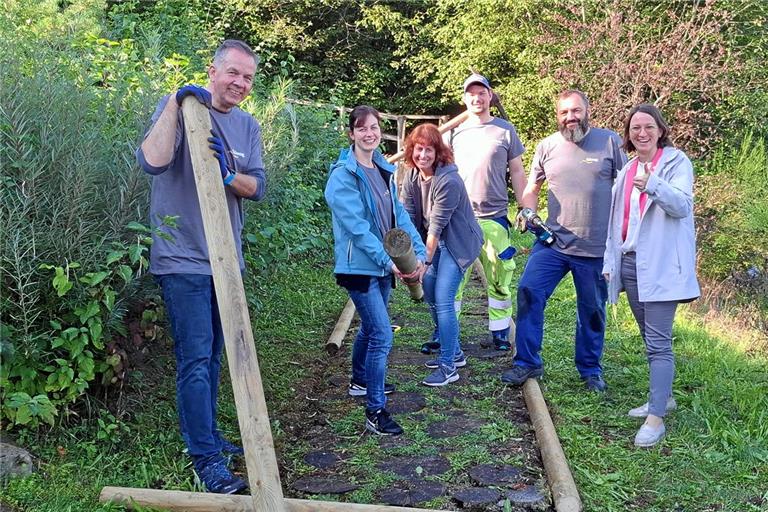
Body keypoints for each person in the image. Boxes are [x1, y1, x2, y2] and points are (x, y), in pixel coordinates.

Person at [136, 39, 265, 494]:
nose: (240, 84)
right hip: (183, 257)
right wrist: (177, 100)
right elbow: (151, 162)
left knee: (213, 355)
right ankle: (205, 459)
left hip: (226, 261)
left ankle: (207, 435)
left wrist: (231, 175)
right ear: (212, 70)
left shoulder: (248, 126)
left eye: (248, 77)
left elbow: (258, 187)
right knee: (195, 357)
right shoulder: (182, 108)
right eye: (233, 73)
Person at [501, 89, 626, 392]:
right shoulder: (547, 146)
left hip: (596, 248)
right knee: (529, 290)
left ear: (587, 110)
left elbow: (626, 189)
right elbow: (532, 186)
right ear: (557, 116)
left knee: (591, 309)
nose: (570, 117)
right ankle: (527, 363)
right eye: (564, 112)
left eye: (576, 110)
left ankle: (590, 369)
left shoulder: (610, 142)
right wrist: (528, 209)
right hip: (553, 242)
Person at [324, 105, 426, 435]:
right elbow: (358, 229)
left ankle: (359, 380)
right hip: (359, 268)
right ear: (351, 133)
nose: (370, 133)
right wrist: (388, 262)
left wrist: (419, 250)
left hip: (382, 266)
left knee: (370, 328)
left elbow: (400, 217)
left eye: (375, 128)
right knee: (382, 334)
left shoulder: (382, 168)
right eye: (363, 128)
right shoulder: (342, 176)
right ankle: (375, 410)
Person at [602, 104, 699, 447]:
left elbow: (682, 206)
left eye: (648, 127)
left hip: (658, 267)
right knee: (649, 338)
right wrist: (609, 261)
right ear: (628, 135)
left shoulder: (676, 163)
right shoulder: (626, 169)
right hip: (630, 265)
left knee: (658, 343)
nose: (641, 133)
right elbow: (618, 222)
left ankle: (656, 419)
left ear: (660, 130)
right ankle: (663, 398)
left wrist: (653, 184)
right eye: (634, 128)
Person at [444, 73, 527, 352]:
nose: (476, 98)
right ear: (464, 98)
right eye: (471, 93)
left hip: (494, 216)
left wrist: (526, 206)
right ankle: (446, 331)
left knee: (499, 274)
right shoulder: (454, 133)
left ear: (490, 96)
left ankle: (500, 332)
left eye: (482, 92)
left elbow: (516, 170)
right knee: (452, 278)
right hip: (459, 218)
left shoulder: (505, 130)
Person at [401, 124, 483, 386]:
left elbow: (436, 226)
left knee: (444, 299)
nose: (422, 155)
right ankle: (455, 352)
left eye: (428, 150)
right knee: (430, 291)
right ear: (411, 151)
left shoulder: (448, 180)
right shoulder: (412, 175)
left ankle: (448, 367)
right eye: (418, 149)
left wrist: (423, 261)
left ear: (438, 153)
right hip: (431, 242)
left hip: (457, 243)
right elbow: (409, 217)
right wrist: (411, 257)